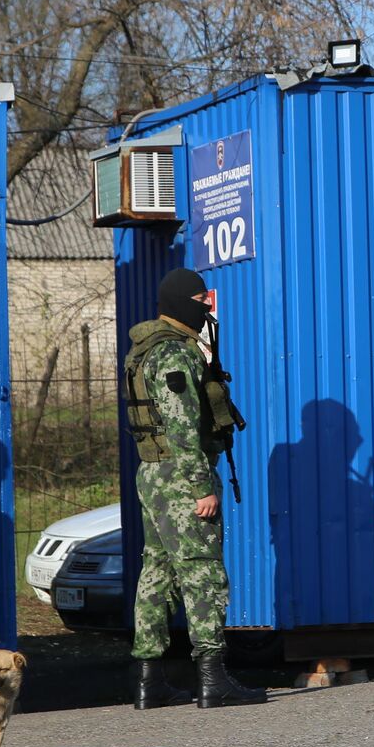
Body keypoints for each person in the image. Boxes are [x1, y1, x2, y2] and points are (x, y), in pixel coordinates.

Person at [122, 267, 264, 709]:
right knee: (202, 572)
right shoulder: (173, 354)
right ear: (186, 303)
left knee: (158, 572)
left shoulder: (147, 349)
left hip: (153, 473)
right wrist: (202, 485)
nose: (207, 310)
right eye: (202, 302)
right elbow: (183, 427)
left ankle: (150, 681)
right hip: (182, 476)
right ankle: (213, 678)